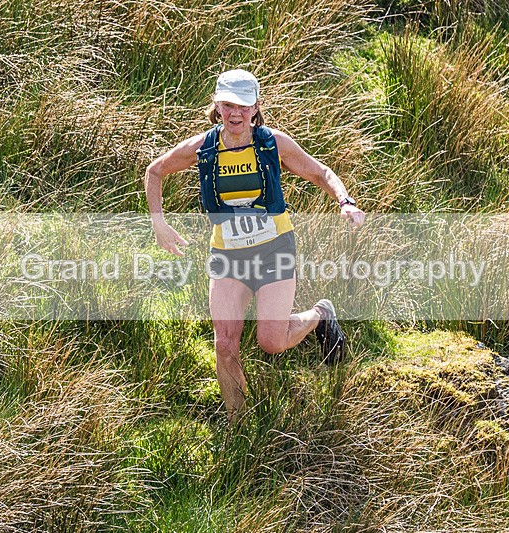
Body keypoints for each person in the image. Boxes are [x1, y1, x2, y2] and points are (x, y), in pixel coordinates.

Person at [144, 69, 365, 422]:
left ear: (256, 107)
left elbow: (320, 172)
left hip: (273, 250)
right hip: (227, 255)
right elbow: (154, 172)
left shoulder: (271, 143)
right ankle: (240, 425)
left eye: (243, 106)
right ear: (216, 106)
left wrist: (345, 202)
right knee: (225, 343)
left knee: (271, 342)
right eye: (228, 104)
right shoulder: (203, 147)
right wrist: (159, 222)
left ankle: (321, 315)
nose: (235, 113)